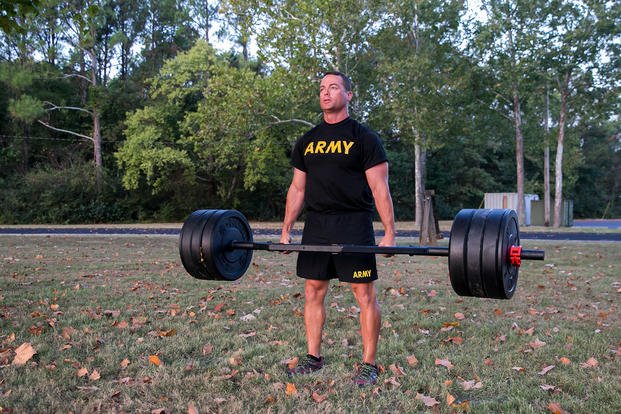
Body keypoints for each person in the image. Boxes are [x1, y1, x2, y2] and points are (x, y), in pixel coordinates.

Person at [279, 71, 396, 387]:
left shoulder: (364, 138)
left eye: (333, 87)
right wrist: (287, 230)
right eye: (321, 88)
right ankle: (313, 357)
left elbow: (379, 188)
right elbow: (298, 189)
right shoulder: (308, 140)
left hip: (353, 224)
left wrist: (389, 233)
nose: (326, 93)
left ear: (349, 95)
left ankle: (369, 363)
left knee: (364, 293)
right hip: (316, 225)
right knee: (313, 289)